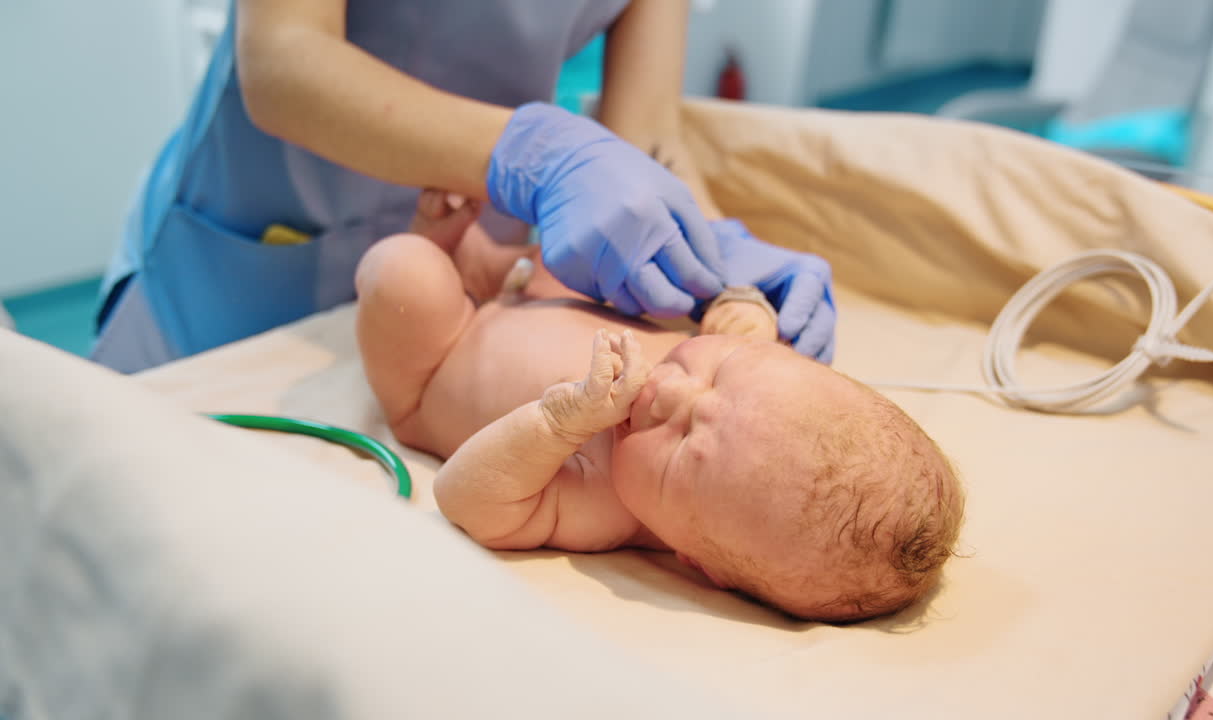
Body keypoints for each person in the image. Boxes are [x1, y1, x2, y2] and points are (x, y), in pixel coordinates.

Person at [92, 0, 836, 373]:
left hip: (464, 279)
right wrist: (540, 155)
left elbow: (647, 134)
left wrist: (719, 258)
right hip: (246, 257)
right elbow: (283, 61)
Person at [354, 191, 964, 622]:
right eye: (722, 370)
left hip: (440, 360)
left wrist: (560, 422)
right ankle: (484, 262)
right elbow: (734, 316)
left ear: (696, 560)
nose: (671, 391)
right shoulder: (770, 402)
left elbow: (465, 498)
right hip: (529, 295)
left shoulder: (611, 506)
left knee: (402, 273)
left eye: (679, 451)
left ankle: (443, 254)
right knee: (600, 259)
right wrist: (744, 303)